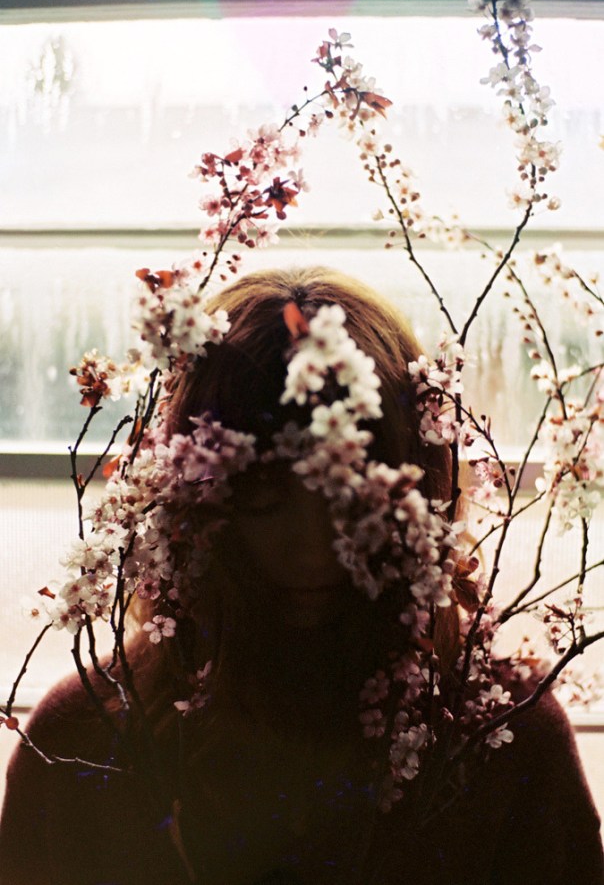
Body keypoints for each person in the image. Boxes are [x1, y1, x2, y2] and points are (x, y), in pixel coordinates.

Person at [0, 267, 602, 885]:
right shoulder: (84, 742)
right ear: (186, 500)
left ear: (423, 491)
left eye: (352, 496)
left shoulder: (505, 736)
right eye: (264, 493)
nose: (314, 547)